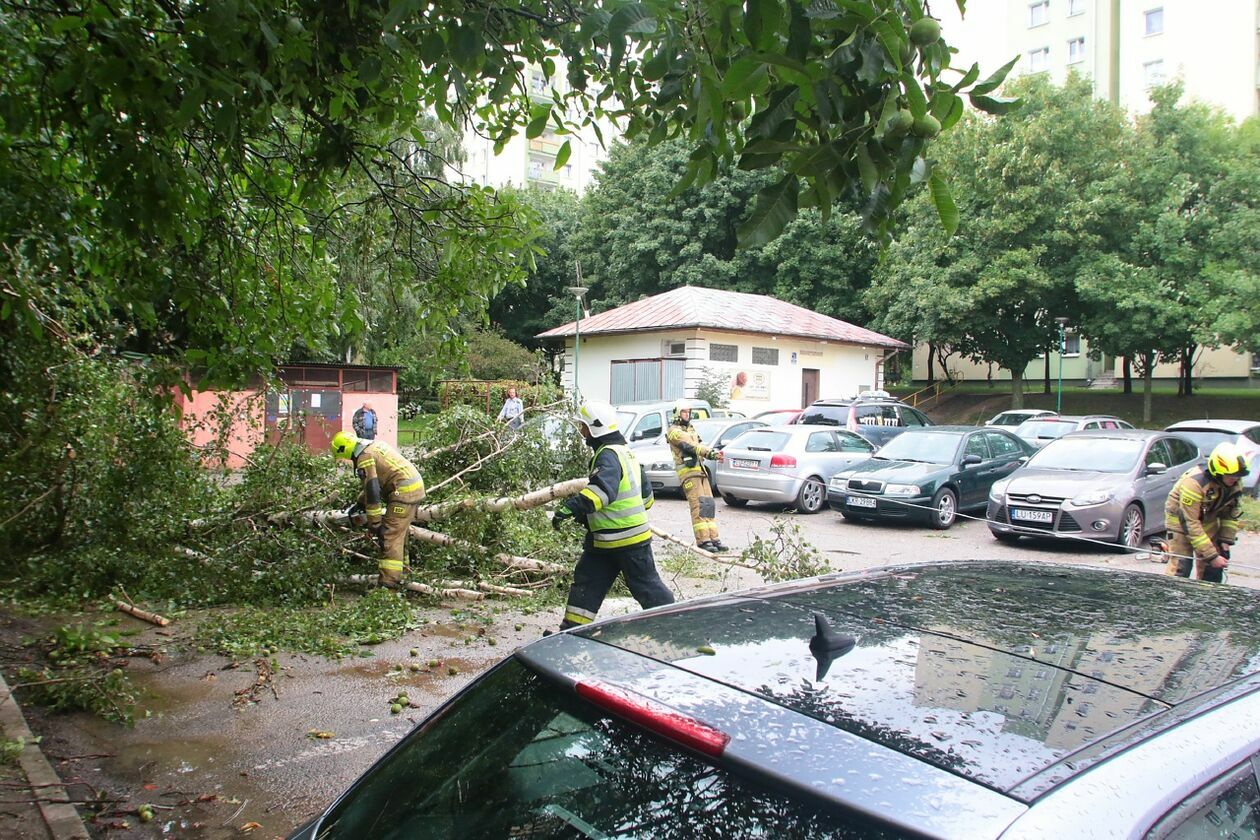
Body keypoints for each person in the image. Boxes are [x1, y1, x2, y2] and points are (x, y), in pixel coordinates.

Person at [551, 400, 675, 630]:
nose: (581, 431)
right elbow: (646, 499)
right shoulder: (626, 453)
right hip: (605, 541)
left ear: (594, 428)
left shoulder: (607, 455)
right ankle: (570, 631)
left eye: (584, 426)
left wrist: (571, 508)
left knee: (646, 586)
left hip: (625, 541)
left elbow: (601, 493)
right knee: (587, 583)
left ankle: (676, 624)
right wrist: (591, 517)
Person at [331, 430, 426, 587]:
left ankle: (389, 587)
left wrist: (374, 524)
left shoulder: (364, 458)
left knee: (389, 536)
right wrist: (359, 504)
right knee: (400, 532)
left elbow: (373, 491)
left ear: (344, 449)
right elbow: (375, 483)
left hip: (404, 493)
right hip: (411, 488)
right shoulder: (372, 447)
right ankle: (405, 573)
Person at [1164, 441, 1248, 583]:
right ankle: (1171, 599)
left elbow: (1230, 514)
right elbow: (1190, 523)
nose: (1235, 480)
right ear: (1218, 472)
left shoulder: (1234, 483)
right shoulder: (1194, 483)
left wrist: (1225, 541)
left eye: (1238, 476)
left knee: (1213, 570)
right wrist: (1212, 556)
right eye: (1231, 476)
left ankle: (1208, 600)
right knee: (1181, 566)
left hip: (1208, 519)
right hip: (1181, 523)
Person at [666, 400, 729, 553]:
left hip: (700, 471)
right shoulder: (674, 431)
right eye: (684, 412)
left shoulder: (691, 429)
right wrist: (711, 453)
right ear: (677, 414)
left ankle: (714, 538)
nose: (687, 415)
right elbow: (691, 446)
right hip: (688, 474)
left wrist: (711, 454)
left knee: (708, 505)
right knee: (698, 506)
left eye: (688, 412)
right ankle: (703, 540)